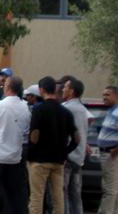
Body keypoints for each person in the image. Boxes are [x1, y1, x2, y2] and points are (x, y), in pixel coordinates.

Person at [28, 76, 80, 214]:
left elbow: (34, 136)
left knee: (37, 198)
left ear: (41, 90)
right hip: (58, 161)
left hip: (40, 160)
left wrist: (29, 156)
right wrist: (65, 152)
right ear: (56, 90)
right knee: (58, 199)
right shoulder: (65, 112)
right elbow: (77, 138)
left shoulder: (39, 110)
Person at [0, 76, 30, 214]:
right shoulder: (25, 107)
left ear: (7, 87)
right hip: (14, 156)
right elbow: (26, 130)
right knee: (14, 194)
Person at [61, 78, 92, 214]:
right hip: (79, 157)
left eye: (66, 87)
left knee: (63, 192)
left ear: (71, 91)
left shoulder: (66, 108)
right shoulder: (83, 110)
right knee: (76, 194)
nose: (63, 89)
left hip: (67, 156)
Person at [98, 86, 118, 213]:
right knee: (113, 187)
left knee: (109, 189)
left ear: (116, 96)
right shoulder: (112, 111)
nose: (104, 97)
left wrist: (114, 154)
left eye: (108, 95)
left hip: (111, 154)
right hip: (107, 153)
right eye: (104, 94)